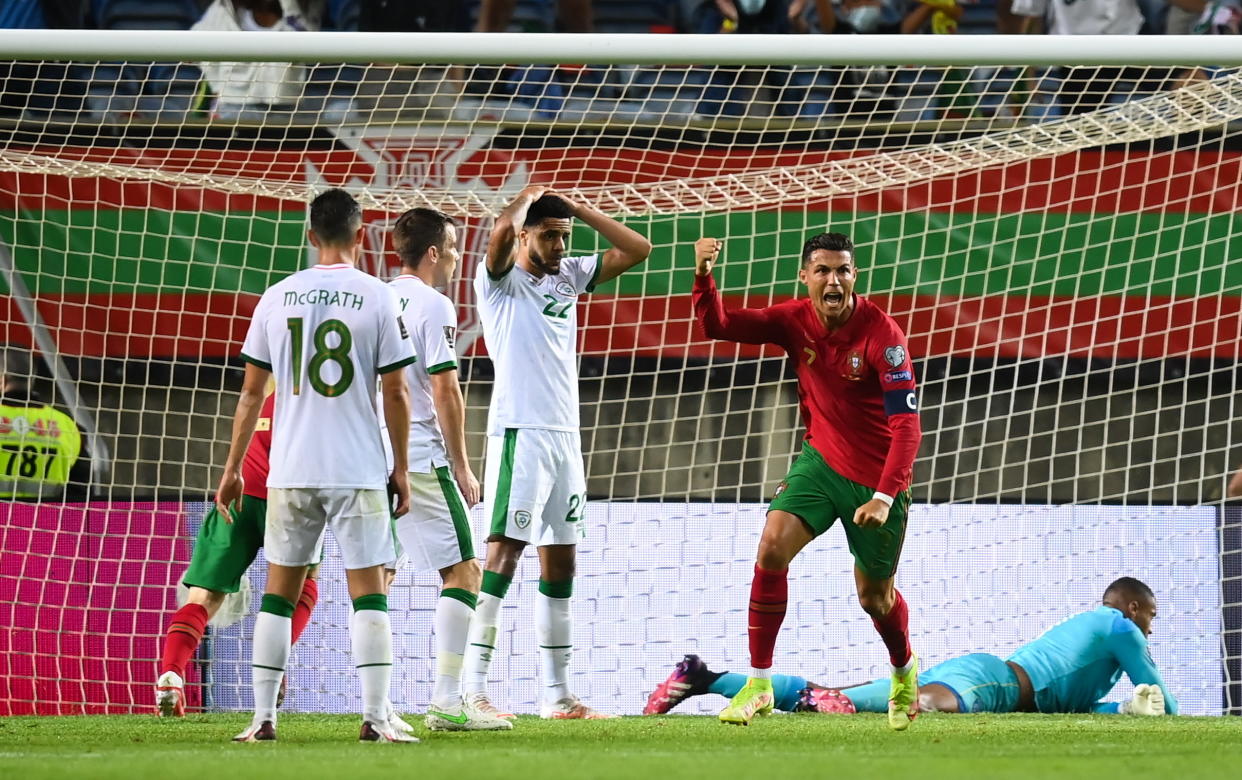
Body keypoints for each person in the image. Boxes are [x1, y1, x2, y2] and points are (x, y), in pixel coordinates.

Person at [692, 233, 922, 729]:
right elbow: (720, 324)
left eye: (842, 270)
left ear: (854, 277)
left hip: (876, 479)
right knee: (771, 546)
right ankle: (759, 685)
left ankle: (904, 671)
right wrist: (704, 277)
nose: (833, 280)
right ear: (805, 276)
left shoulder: (883, 336)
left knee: (874, 599)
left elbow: (908, 427)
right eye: (822, 270)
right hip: (819, 462)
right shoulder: (793, 320)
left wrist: (885, 496)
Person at [216, 188, 417, 744]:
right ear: (361, 235)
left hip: (290, 466)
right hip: (356, 466)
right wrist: (400, 467)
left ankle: (261, 720)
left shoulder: (276, 297)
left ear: (310, 236)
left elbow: (251, 396)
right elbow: (396, 391)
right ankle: (376, 719)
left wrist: (232, 469)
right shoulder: (380, 298)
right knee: (369, 593)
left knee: (279, 592)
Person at [461, 187, 651, 720]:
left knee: (561, 560)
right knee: (504, 554)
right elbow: (498, 236)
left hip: (565, 436)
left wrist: (580, 211)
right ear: (525, 234)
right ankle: (472, 689)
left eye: (565, 237)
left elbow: (638, 249)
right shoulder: (499, 283)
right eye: (549, 235)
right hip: (519, 432)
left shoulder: (568, 275)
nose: (561, 245)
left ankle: (557, 696)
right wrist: (530, 195)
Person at [645, 577, 1179, 717]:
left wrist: (1124, 708)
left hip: (986, 677)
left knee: (830, 696)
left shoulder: (1095, 650)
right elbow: (1169, 703)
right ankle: (834, 702)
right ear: (1133, 608)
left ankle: (705, 679)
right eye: (1149, 619)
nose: (1149, 633)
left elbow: (1073, 703)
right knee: (920, 705)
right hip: (991, 683)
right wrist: (1158, 706)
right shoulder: (1118, 625)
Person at [386, 208, 510, 732]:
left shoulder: (375, 298)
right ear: (433, 253)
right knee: (464, 572)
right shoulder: (433, 305)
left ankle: (377, 705)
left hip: (371, 459)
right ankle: (445, 701)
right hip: (418, 457)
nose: (459, 258)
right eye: (455, 248)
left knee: (375, 579)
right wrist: (461, 464)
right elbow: (445, 386)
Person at [0, 346, 89, 501]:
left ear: (3, 379)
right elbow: (80, 496)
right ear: (32, 378)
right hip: (46, 522)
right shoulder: (69, 427)